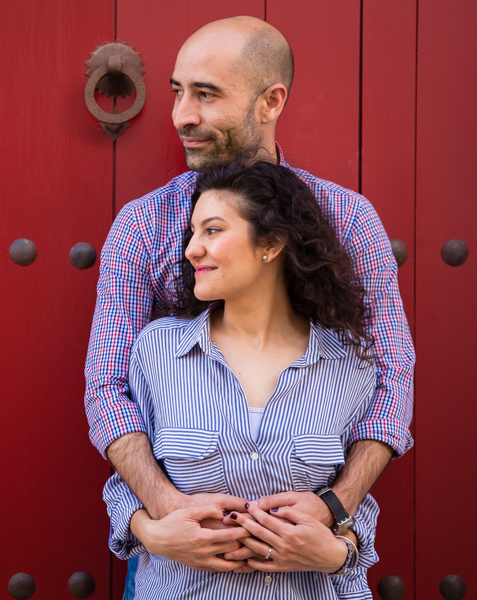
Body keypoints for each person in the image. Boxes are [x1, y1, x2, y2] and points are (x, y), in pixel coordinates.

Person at [84, 15, 414, 572]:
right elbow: (108, 386)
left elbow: (391, 373)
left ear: (271, 101)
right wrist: (169, 515)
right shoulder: (143, 226)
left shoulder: (349, 222)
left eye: (206, 95)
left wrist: (334, 507)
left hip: (310, 563)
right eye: (178, 93)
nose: (182, 116)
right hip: (178, 566)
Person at [105, 159, 379, 597]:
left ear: (270, 243)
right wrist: (149, 533)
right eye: (192, 233)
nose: (192, 249)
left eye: (212, 231)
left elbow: (354, 502)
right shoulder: (158, 352)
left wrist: (336, 554)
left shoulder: (349, 364)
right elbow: (128, 481)